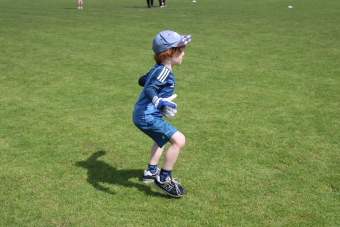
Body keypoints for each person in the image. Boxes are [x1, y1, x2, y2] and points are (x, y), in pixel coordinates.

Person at [132, 30, 192, 197]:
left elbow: (141, 81)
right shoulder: (163, 71)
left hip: (142, 114)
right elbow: (150, 88)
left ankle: (151, 172)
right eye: (180, 51)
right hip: (147, 115)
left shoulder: (157, 68)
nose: (183, 54)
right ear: (169, 53)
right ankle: (163, 180)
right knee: (179, 140)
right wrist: (159, 102)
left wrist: (150, 80)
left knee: (163, 138)